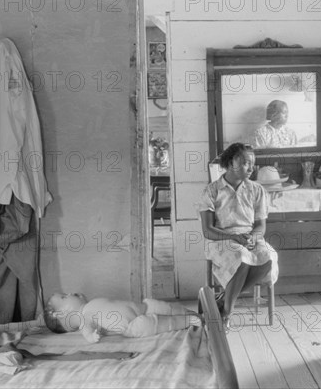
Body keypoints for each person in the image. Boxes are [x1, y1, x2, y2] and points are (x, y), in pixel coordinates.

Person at [198, 143, 278, 326]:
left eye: (252, 163)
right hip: (221, 239)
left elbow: (260, 226)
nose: (250, 168)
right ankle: (227, 313)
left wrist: (253, 238)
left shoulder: (256, 190)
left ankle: (223, 300)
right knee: (241, 257)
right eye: (244, 163)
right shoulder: (212, 190)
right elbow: (207, 230)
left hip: (249, 238)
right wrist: (234, 238)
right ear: (230, 162)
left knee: (269, 257)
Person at [43, 293, 199, 343]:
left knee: (167, 307)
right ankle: (187, 321)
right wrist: (92, 336)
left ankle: (189, 313)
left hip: (142, 306)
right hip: (132, 325)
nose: (70, 293)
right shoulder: (84, 318)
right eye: (64, 297)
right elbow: (86, 331)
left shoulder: (90, 303)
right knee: (160, 323)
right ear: (60, 314)